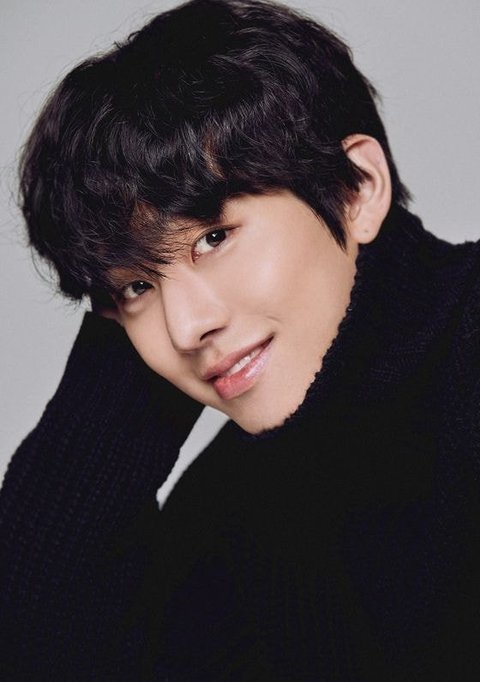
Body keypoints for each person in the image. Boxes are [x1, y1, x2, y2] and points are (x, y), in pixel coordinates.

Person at [1, 0, 479, 679]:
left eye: (214, 238)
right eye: (134, 289)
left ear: (357, 188)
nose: (185, 327)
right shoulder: (235, 504)